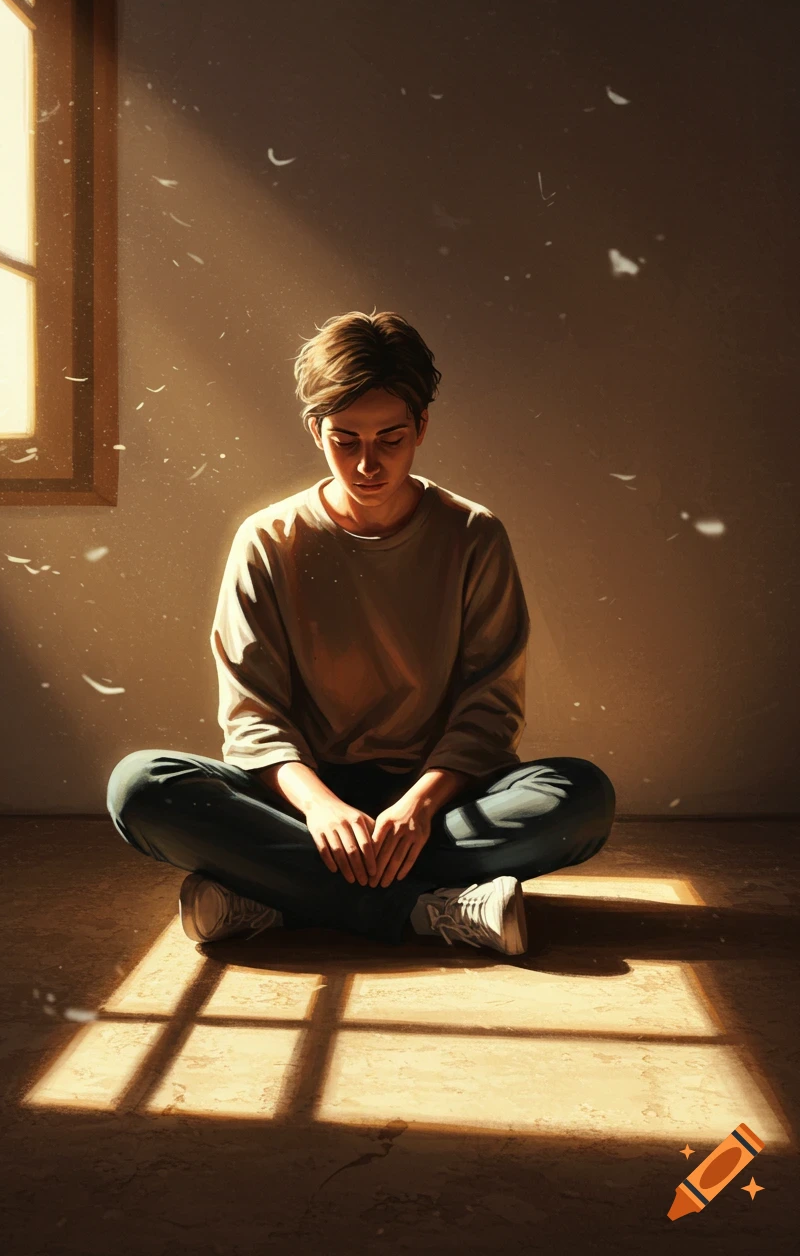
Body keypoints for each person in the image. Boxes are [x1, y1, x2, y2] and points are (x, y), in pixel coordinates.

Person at [106, 308, 616, 957]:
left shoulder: (472, 536)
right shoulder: (269, 540)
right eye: (346, 439)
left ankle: (276, 899)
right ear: (315, 429)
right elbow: (253, 717)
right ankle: (427, 911)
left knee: (581, 796)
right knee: (140, 787)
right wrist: (321, 811)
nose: (368, 463)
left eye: (390, 439)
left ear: (422, 427)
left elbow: (488, 710)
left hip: (437, 803)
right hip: (302, 801)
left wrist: (415, 810)